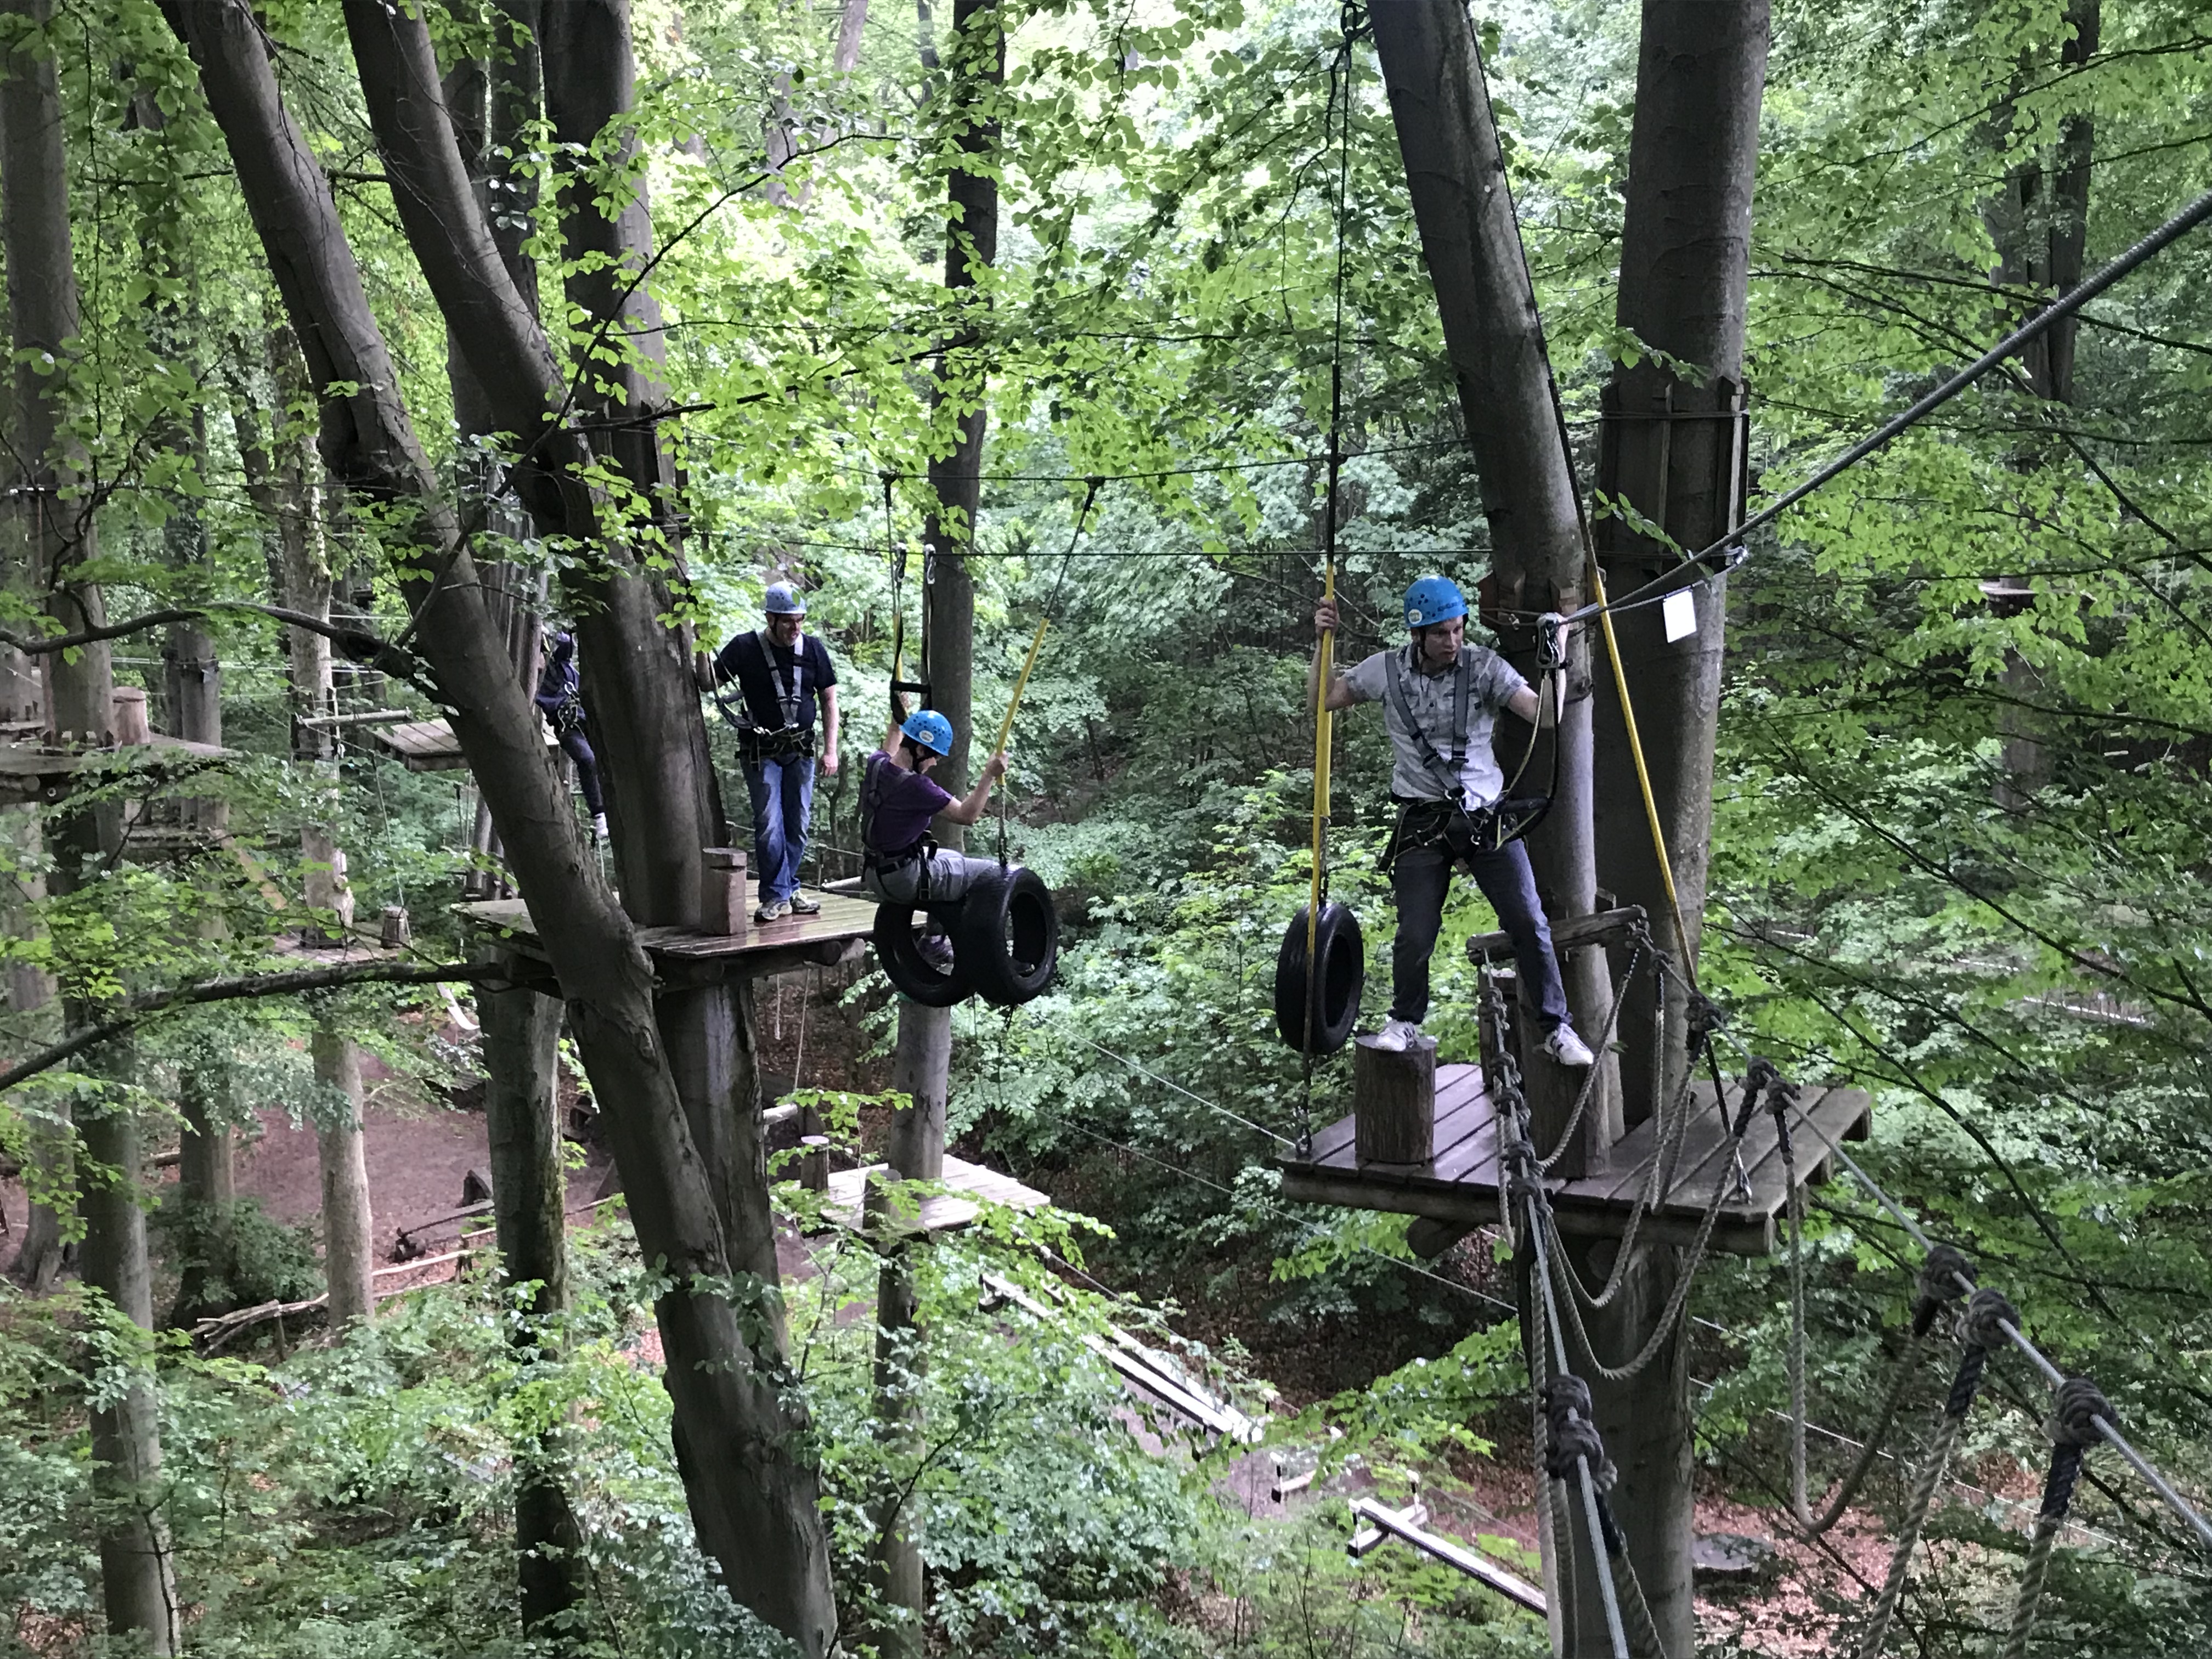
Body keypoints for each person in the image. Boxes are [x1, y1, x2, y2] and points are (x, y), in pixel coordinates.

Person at [1312, 575, 1595, 1065]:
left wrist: (1557, 654)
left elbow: (1546, 716)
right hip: (1422, 820)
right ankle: (1404, 1020)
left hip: (1484, 815)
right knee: (1416, 932)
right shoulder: (1386, 672)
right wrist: (1322, 641)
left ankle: (1557, 1029)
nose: (1453, 641)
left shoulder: (1484, 668)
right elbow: (1323, 699)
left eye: (1458, 630)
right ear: (1417, 635)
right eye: (1441, 633)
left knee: (1528, 920)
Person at [708, 583, 840, 924]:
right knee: (769, 824)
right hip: (761, 751)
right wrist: (698, 644)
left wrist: (831, 750)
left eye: (800, 621)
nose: (795, 628)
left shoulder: (812, 649)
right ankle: (776, 894)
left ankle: (786, 889)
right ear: (770, 618)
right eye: (788, 622)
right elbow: (708, 683)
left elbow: (829, 700)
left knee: (798, 825)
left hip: (801, 750)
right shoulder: (745, 648)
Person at [858, 709, 1008, 919]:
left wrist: (896, 722)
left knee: (953, 858)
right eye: (935, 756)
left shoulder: (877, 763)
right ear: (920, 751)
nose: (935, 763)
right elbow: (967, 815)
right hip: (902, 878)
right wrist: (989, 775)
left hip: (874, 873)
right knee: (991, 873)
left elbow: (892, 747)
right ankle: (935, 938)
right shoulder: (918, 787)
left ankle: (929, 933)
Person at [533, 630, 607, 840]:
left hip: (588, 720)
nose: (537, 660)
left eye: (539, 653)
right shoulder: (535, 684)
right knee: (587, 759)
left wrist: (547, 631)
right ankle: (599, 815)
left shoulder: (560, 664)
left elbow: (566, 641)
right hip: (568, 728)